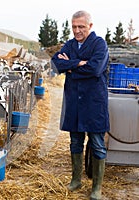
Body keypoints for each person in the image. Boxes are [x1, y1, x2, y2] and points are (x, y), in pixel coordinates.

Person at [51, 10, 109, 200]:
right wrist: (79, 63)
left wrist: (71, 66)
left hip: (93, 103)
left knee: (97, 144)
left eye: (81, 27)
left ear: (90, 26)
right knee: (75, 142)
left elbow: (95, 69)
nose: (77, 30)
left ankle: (96, 188)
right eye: (74, 26)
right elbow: (56, 64)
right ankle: (76, 180)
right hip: (74, 102)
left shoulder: (99, 44)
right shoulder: (69, 44)